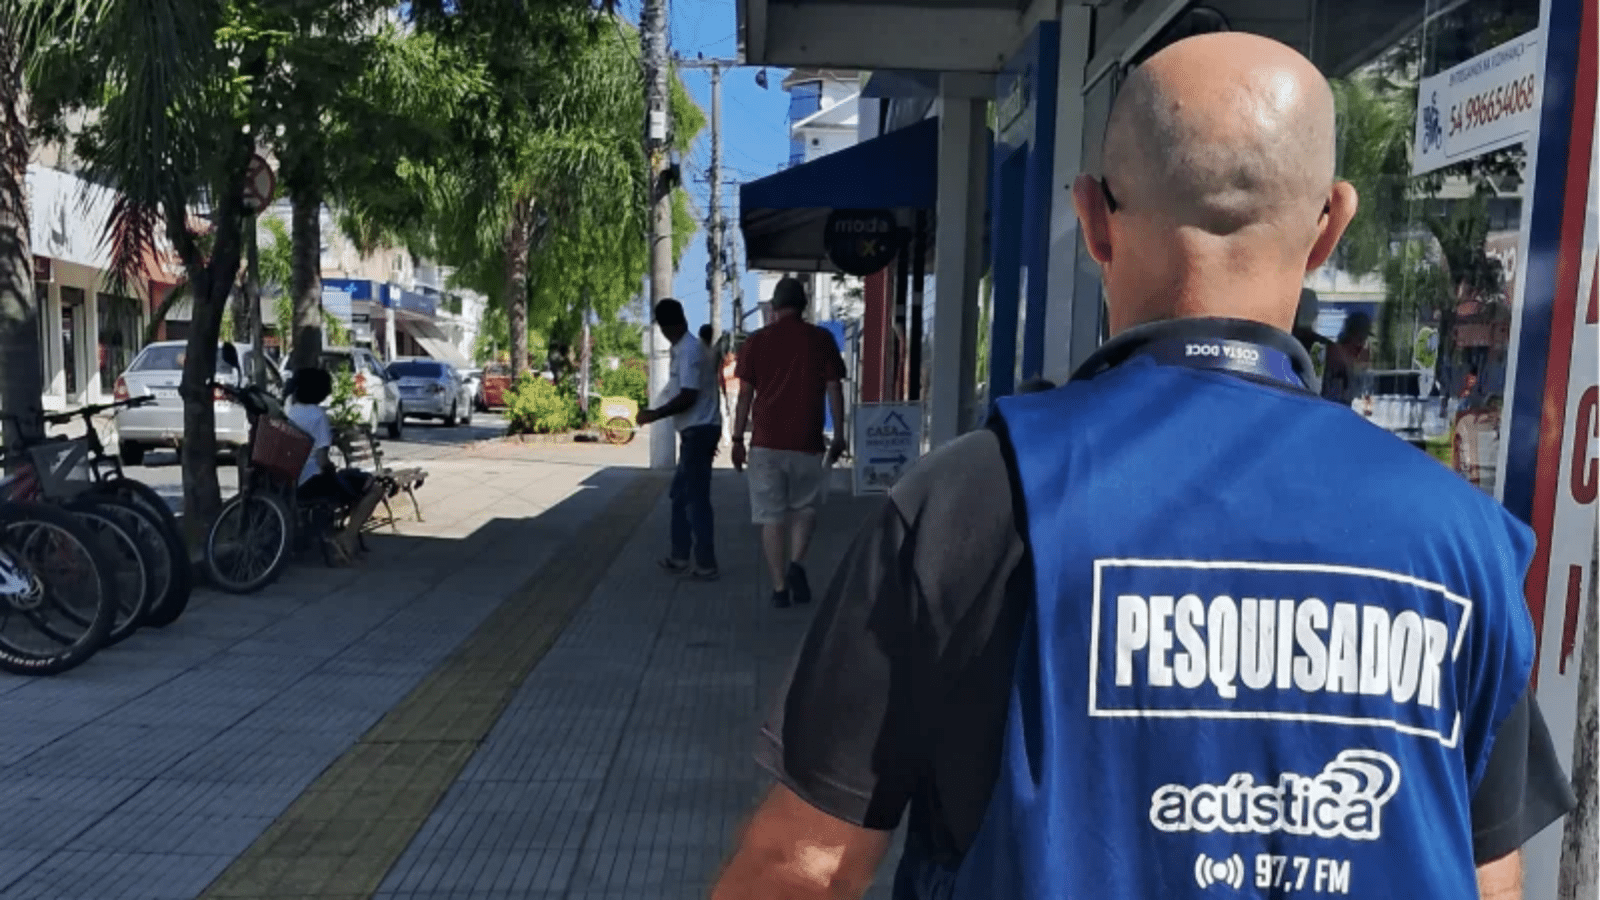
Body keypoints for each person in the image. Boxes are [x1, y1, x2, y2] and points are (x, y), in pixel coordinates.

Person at [710, 33, 1573, 900]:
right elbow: (1489, 879)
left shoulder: (970, 504)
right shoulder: (1463, 544)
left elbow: (802, 867)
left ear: (1091, 218)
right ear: (1329, 229)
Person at [729, 276, 847, 608]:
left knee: (771, 515)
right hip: (807, 441)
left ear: (775, 307)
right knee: (804, 507)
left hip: (765, 442)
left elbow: (744, 397)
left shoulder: (756, 341)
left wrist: (737, 438)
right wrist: (839, 434)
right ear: (803, 305)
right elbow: (834, 389)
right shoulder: (821, 339)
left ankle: (779, 589)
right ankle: (796, 564)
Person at [637, 299, 723, 580]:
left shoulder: (688, 352)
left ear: (664, 327)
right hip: (696, 430)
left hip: (699, 431)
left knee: (695, 499)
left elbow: (688, 395)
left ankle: (705, 562)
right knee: (681, 495)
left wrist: (655, 414)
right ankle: (680, 554)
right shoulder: (686, 349)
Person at [285, 368, 385, 564]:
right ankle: (347, 537)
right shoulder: (319, 416)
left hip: (295, 480)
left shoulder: (292, 412)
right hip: (313, 482)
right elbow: (323, 461)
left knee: (355, 483)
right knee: (373, 488)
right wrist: (334, 472)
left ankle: (347, 539)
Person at [1321, 310, 1372, 404]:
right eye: (1360, 339)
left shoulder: (1351, 357)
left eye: (1364, 340)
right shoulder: (1336, 352)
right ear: (1350, 335)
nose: (1361, 345)